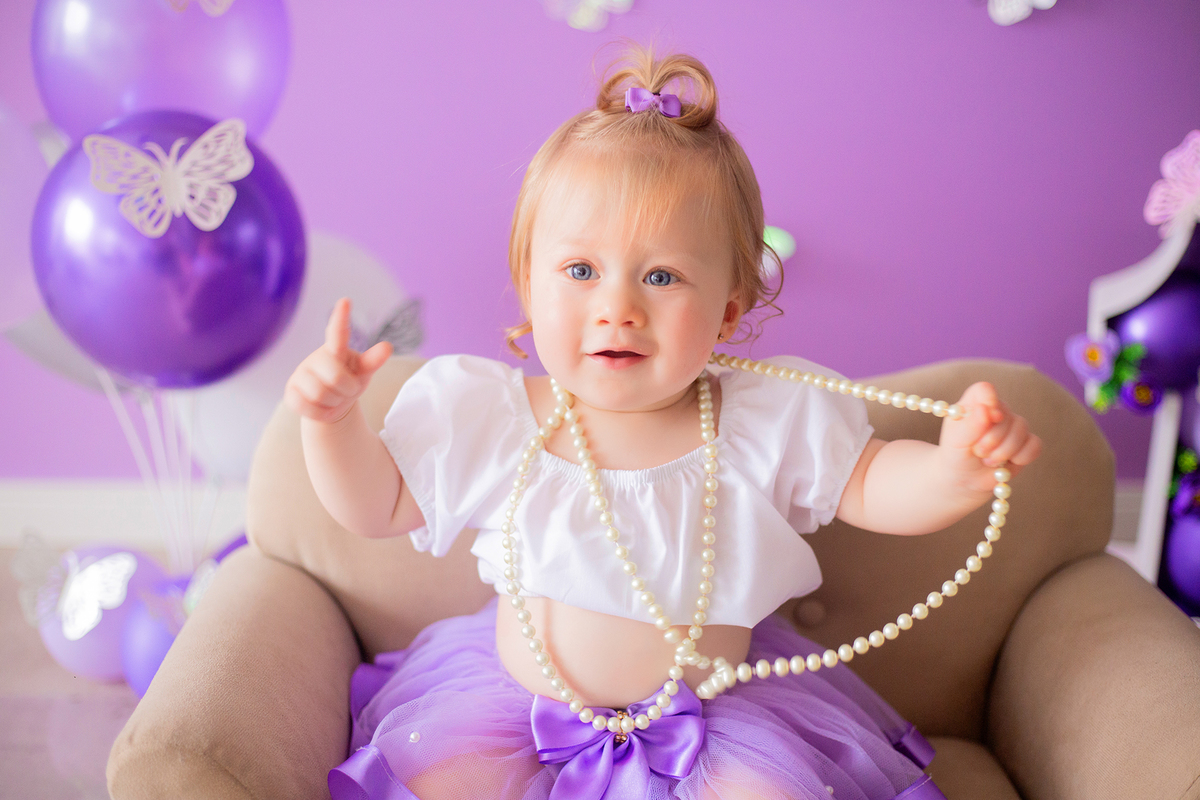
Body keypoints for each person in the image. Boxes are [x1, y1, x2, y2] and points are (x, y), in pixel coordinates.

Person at [285, 45, 1041, 800]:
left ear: (728, 311)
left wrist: (954, 470)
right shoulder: (495, 419)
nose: (619, 307)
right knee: (445, 785)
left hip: (720, 717)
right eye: (581, 271)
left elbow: (874, 484)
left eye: (661, 276)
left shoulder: (757, 421)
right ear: (528, 285)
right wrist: (331, 424)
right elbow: (376, 505)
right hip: (517, 710)